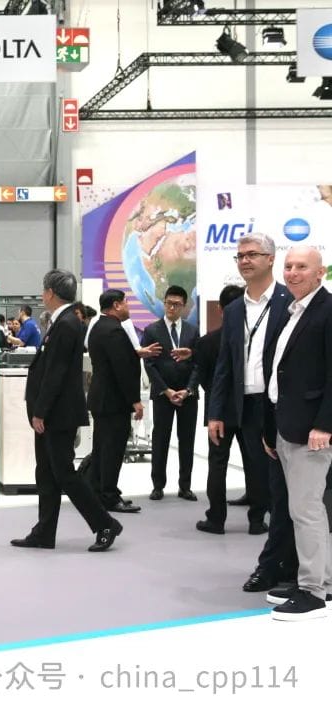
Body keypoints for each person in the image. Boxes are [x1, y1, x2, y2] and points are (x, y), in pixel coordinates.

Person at [208, 232, 295, 592]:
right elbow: (225, 365)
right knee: (264, 488)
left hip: (283, 408)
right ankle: (284, 562)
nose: (244, 260)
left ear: (270, 259)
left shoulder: (290, 302)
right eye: (240, 255)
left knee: (286, 492)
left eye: (252, 254)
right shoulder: (233, 311)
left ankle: (276, 564)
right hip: (245, 409)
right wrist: (216, 412)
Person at [11, 269, 122, 553]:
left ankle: (105, 523)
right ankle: (44, 532)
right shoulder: (64, 321)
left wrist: (40, 411)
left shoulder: (67, 324)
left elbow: (56, 373)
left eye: (43, 290)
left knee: (64, 474)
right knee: (46, 473)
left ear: (50, 292)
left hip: (57, 415)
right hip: (53, 413)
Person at [261, 246, 332, 620]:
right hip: (286, 425)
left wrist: (325, 424)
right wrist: (270, 426)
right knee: (303, 509)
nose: (292, 272)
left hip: (311, 430)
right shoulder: (293, 311)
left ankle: (313, 592)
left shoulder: (327, 310)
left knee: (306, 510)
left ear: (320, 272)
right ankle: (324, 581)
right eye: (288, 266)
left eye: (302, 266)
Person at [85, 289, 144, 514]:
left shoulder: (99, 327)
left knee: (102, 448)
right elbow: (122, 369)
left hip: (102, 399)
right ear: (117, 305)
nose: (129, 306)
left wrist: (137, 354)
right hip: (113, 401)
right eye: (126, 302)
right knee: (112, 450)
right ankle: (109, 496)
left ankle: (100, 491)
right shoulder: (114, 331)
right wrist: (135, 400)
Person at [141, 285, 200, 501]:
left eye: (176, 304)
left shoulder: (193, 331)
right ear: (164, 303)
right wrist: (166, 390)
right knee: (161, 439)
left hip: (187, 395)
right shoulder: (152, 330)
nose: (171, 308)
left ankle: (185, 486)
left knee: (187, 440)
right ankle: (158, 485)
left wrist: (189, 389)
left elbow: (198, 363)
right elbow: (149, 364)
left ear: (184, 306)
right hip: (163, 395)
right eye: (168, 303)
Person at [195, 284, 246, 534]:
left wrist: (217, 399)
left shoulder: (206, 341)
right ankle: (257, 518)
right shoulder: (249, 340)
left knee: (217, 464)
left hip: (219, 411)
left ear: (220, 308)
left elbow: (204, 378)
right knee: (255, 462)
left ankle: (216, 518)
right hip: (247, 409)